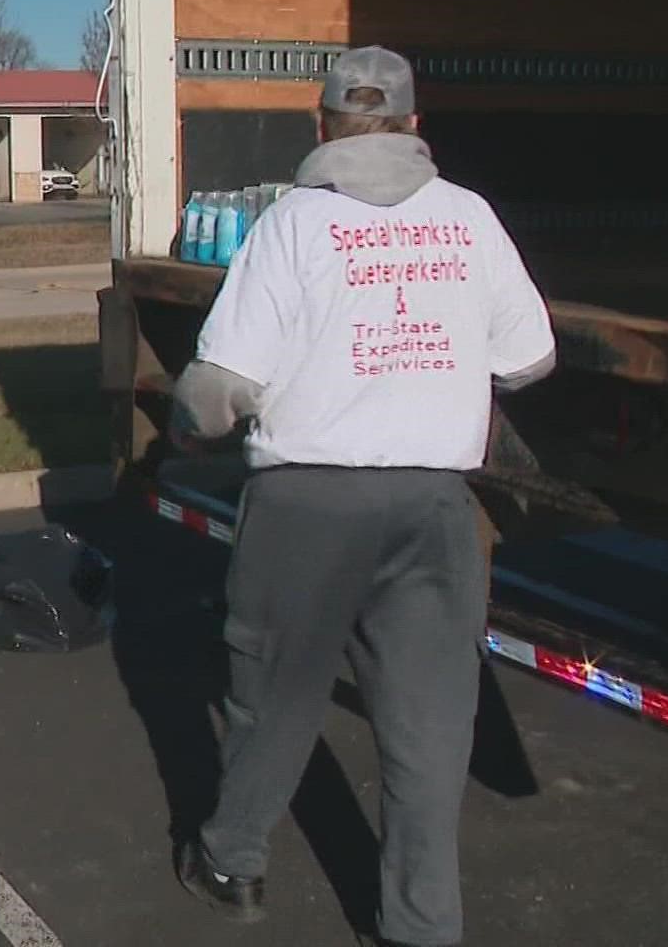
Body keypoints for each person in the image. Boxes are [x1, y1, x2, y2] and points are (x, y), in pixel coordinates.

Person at [169, 46, 555, 947]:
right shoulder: (470, 219)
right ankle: (422, 926)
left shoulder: (294, 225)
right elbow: (529, 359)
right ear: (416, 129)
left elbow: (222, 385)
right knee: (428, 729)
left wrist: (192, 417)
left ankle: (232, 863)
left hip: (307, 506)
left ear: (322, 127)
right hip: (431, 509)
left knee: (278, 693)